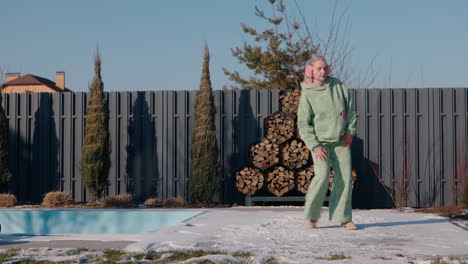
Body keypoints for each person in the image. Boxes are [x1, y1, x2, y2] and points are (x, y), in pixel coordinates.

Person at [297, 56, 358, 230]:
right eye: (319, 69)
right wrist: (314, 146)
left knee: (345, 178)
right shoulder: (308, 93)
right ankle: (311, 217)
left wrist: (350, 131)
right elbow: (303, 123)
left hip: (341, 141)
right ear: (311, 71)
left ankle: (344, 218)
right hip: (320, 144)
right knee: (322, 176)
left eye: (325, 68)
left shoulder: (337, 85)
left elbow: (351, 109)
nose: (323, 71)